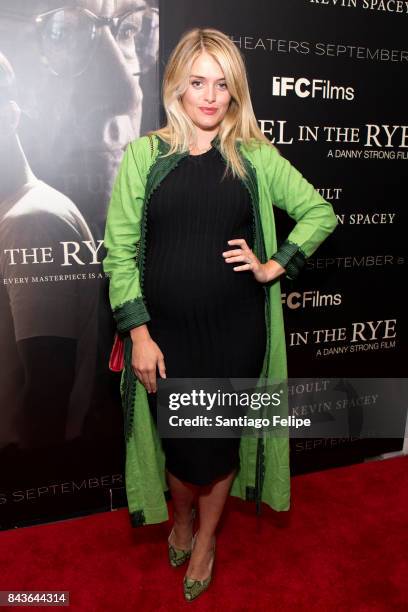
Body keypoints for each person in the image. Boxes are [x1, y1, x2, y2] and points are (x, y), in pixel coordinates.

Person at [103, 28, 338, 601]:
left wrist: (272, 265)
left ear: (236, 92)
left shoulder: (254, 156)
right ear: (176, 85)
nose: (209, 96)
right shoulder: (145, 155)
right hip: (167, 337)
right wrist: (139, 333)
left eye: (222, 84)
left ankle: (205, 538)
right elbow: (119, 249)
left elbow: (319, 212)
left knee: (220, 447)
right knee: (183, 450)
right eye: (197, 82)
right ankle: (181, 520)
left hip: (236, 334)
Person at [0, 51, 98, 451]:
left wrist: (29, 485)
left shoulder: (31, 221)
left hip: (24, 466)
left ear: (11, 117)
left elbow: (48, 387)